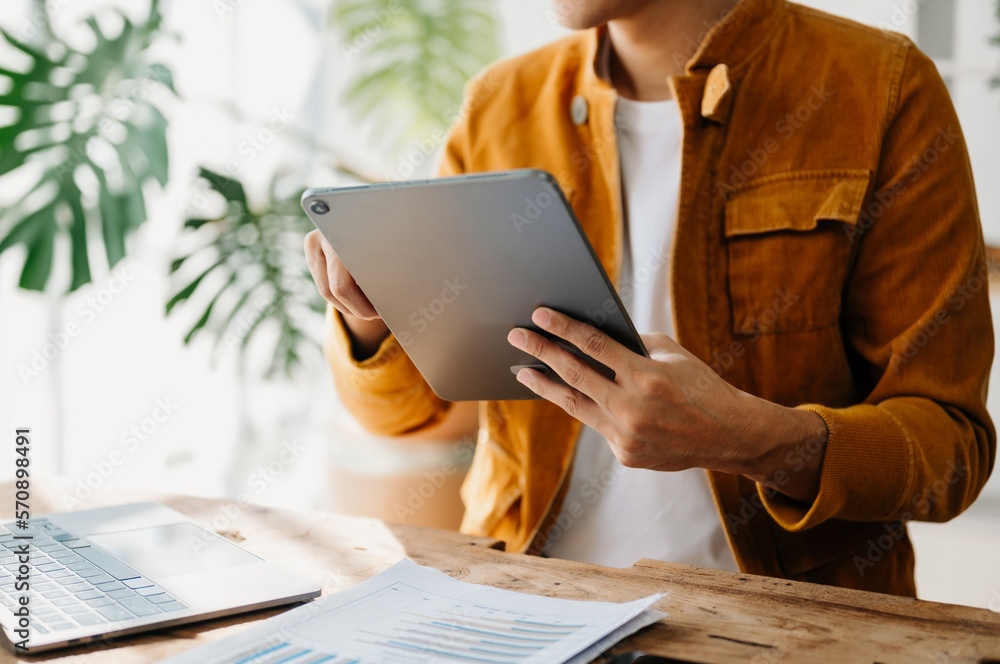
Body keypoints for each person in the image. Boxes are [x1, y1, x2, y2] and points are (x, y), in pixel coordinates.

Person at [305, 0, 995, 595]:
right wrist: (367, 319)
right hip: (523, 607)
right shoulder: (501, 104)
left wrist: (753, 440)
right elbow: (399, 418)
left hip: (780, 633)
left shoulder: (881, 88)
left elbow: (950, 453)